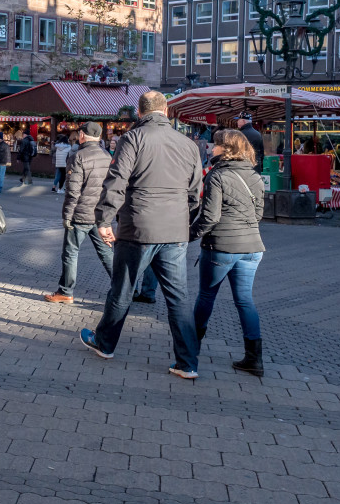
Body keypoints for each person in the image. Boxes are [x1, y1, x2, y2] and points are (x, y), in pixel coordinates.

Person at [80, 90, 204, 379]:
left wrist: (104, 218)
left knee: (122, 289)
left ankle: (105, 343)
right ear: (167, 111)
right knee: (178, 298)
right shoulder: (188, 144)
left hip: (138, 226)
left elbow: (117, 180)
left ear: (140, 112)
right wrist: (183, 219)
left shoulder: (133, 138)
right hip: (175, 230)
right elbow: (195, 191)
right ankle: (188, 362)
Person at [191, 129, 266, 377]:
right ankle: (254, 359)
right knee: (244, 300)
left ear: (227, 149)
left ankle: (190, 350)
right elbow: (258, 215)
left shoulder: (216, 176)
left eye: (216, 145)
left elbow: (209, 217)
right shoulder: (255, 176)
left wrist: (188, 235)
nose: (212, 149)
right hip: (252, 248)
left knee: (206, 297)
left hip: (221, 247)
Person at [44, 122, 113, 304]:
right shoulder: (107, 156)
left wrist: (67, 215)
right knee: (106, 253)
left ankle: (66, 291)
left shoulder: (78, 156)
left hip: (81, 214)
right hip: (100, 215)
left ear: (82, 135)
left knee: (71, 253)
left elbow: (73, 191)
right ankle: (123, 287)